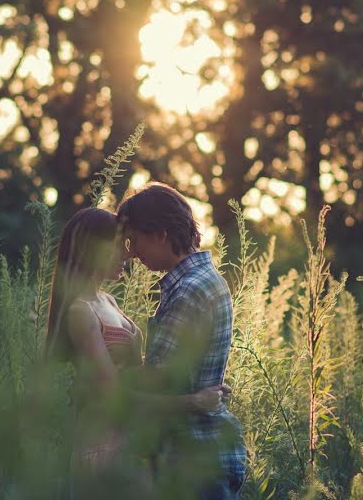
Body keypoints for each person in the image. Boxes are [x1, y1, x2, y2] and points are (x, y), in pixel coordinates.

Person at [44, 207, 229, 494]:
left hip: (129, 444)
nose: (129, 255)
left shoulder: (107, 301)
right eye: (120, 246)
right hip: (102, 447)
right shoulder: (81, 311)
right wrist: (194, 401)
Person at [117, 183, 247, 499]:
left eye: (135, 240)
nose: (132, 253)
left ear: (160, 234)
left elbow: (159, 381)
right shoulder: (203, 280)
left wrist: (109, 377)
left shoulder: (187, 290)